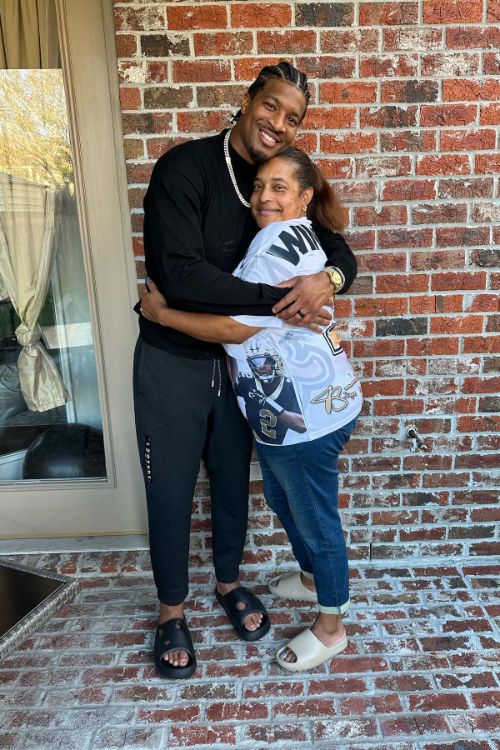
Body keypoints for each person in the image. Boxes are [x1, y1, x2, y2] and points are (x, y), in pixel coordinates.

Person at [134, 61, 357, 678]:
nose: (278, 123)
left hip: (245, 373)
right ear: (247, 100)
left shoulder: (273, 180)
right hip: (176, 362)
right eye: (272, 107)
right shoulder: (185, 168)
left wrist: (328, 280)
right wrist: (284, 304)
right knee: (173, 491)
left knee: (233, 484)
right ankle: (170, 611)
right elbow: (178, 274)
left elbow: (335, 249)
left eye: (293, 118)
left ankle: (229, 583)